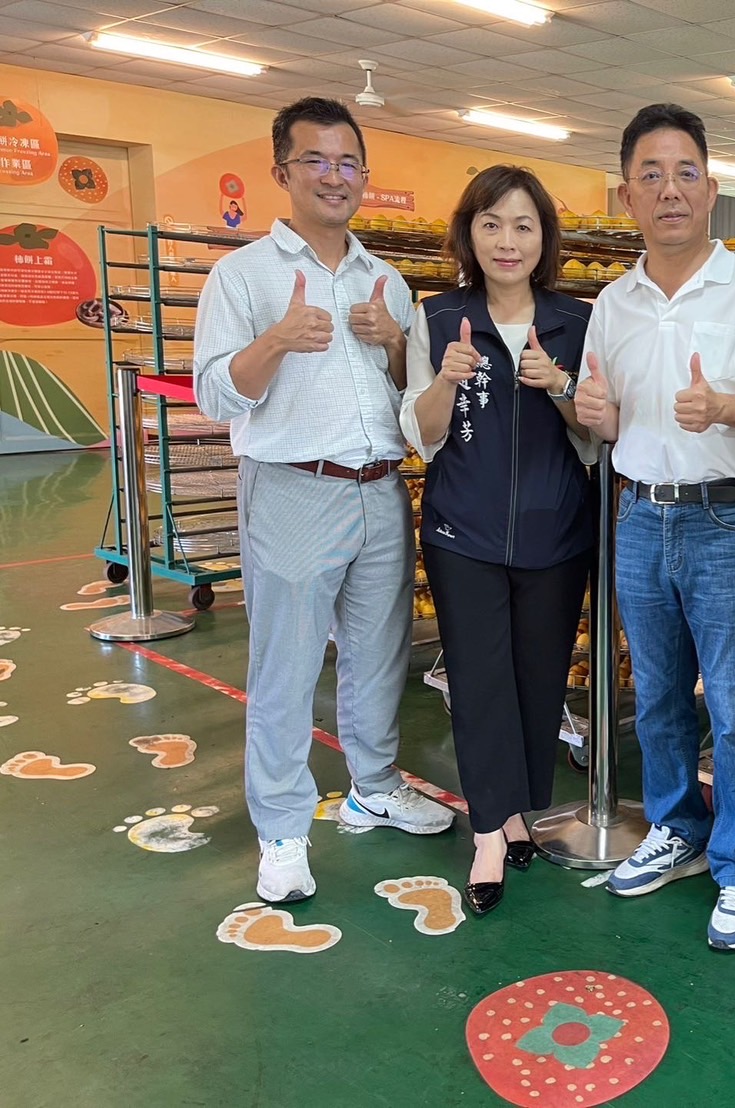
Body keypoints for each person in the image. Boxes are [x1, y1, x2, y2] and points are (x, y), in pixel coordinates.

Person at [195, 97, 453, 906]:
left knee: (379, 655)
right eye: (316, 160)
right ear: (283, 171)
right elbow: (213, 395)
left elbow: (411, 396)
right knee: (288, 666)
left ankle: (373, 787)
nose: (334, 176)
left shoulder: (386, 280)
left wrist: (397, 341)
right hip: (293, 489)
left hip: (381, 488)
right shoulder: (242, 275)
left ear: (364, 176)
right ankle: (281, 827)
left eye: (348, 163)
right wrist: (276, 340)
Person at [575, 103, 735, 950]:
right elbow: (602, 414)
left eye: (686, 173)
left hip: (726, 517)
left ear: (711, 188)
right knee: (658, 696)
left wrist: (727, 408)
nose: (670, 190)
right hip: (638, 513)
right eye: (651, 175)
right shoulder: (613, 303)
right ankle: (677, 829)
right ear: (627, 194)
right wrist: (594, 413)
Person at [400, 166, 595, 916]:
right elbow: (422, 435)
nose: (507, 241)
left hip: (557, 532)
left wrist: (562, 386)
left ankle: (516, 811)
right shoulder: (438, 316)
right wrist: (445, 379)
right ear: (469, 234)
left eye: (522, 225)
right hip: (463, 532)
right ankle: (489, 830)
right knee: (480, 682)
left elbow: (598, 434)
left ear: (544, 238)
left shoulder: (577, 321)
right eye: (491, 224)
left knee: (539, 680)